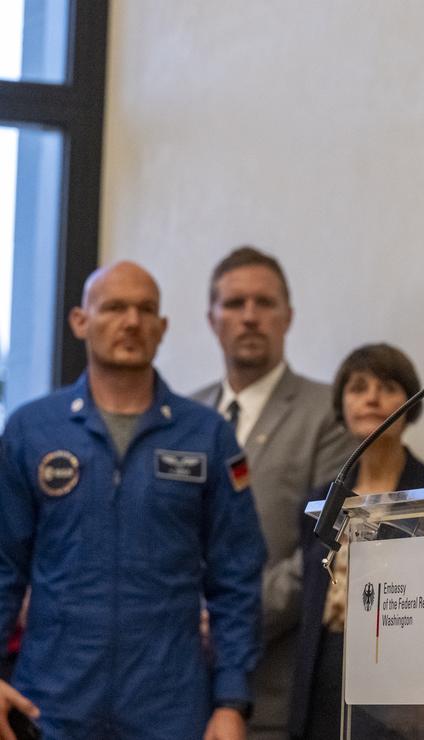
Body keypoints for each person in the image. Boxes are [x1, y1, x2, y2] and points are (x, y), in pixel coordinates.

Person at [0, 261, 266, 739]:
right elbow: (3, 566)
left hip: (169, 708)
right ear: (80, 321)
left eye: (145, 310)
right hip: (51, 705)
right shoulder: (32, 430)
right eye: (114, 308)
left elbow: (237, 575)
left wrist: (232, 700)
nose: (131, 322)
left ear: (162, 328)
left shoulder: (206, 435)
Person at [192, 247, 351, 740]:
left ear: (288, 316)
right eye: (234, 303)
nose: (249, 316)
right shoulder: (182, 415)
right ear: (212, 319)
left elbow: (324, 545)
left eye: (264, 302)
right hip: (175, 684)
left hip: (272, 688)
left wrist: (228, 621)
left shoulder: (329, 414)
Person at [288, 344, 424, 740]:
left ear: (410, 404)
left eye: (388, 387)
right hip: (323, 677)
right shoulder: (320, 502)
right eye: (358, 387)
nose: (372, 398)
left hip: (403, 688)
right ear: (342, 405)